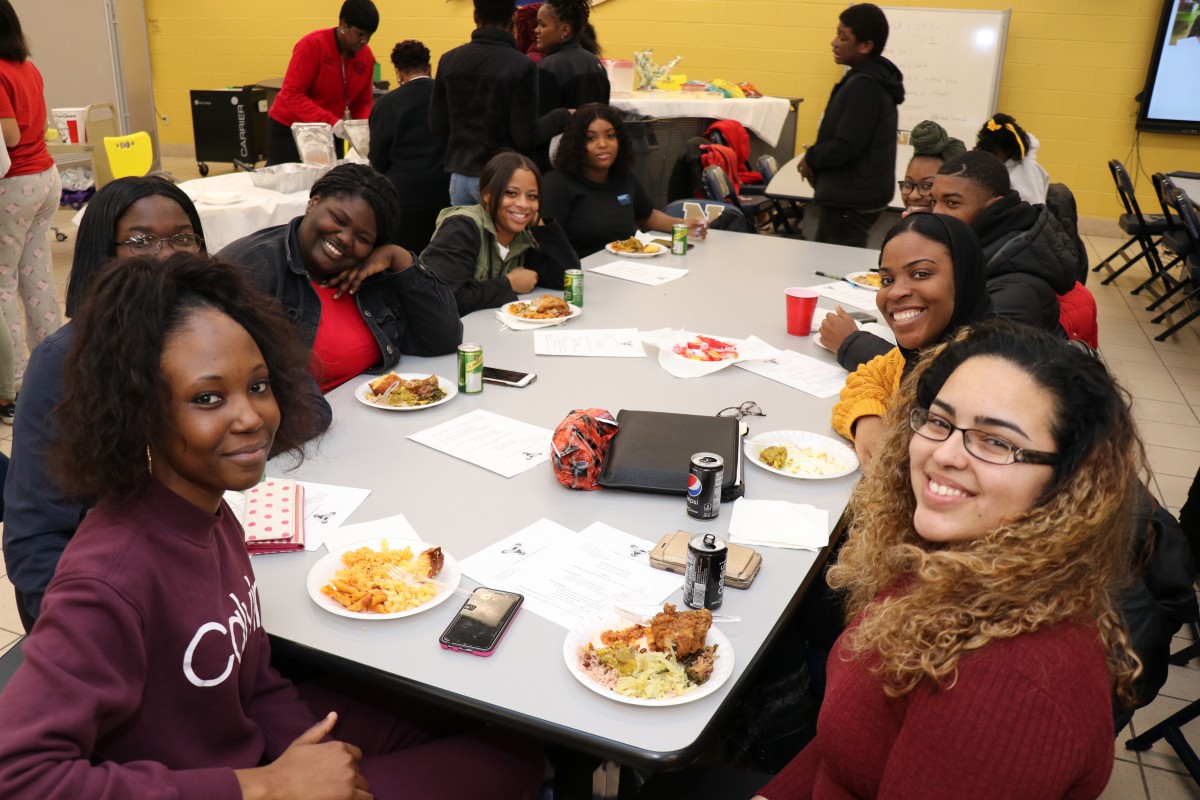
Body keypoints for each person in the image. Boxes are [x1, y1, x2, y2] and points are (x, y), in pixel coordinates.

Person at [0, 253, 545, 799]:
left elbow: (254, 680)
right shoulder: (108, 580)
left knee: (513, 732)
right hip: (222, 785)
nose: (250, 417)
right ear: (140, 410)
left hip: (252, 750)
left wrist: (309, 752)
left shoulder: (212, 514)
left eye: (258, 386)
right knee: (511, 764)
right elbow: (20, 775)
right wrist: (266, 788)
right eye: (208, 398)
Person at [754, 321, 1145, 799]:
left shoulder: (1009, 689)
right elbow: (847, 747)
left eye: (996, 442)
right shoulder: (953, 562)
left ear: (1066, 482)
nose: (945, 454)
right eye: (940, 422)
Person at [2, 177, 272, 632]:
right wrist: (97, 631)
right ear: (102, 256)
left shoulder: (217, 337)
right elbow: (36, 538)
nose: (167, 254)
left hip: (212, 567)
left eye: (183, 237)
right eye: (141, 241)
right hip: (108, 612)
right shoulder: (64, 361)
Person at [219, 163, 463, 392]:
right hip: (302, 428)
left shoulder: (371, 275)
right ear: (313, 203)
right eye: (338, 220)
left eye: (363, 238)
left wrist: (400, 259)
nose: (346, 239)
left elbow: (442, 338)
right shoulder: (250, 267)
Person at [831, 213, 991, 470]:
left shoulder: (985, 377)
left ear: (963, 279)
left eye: (920, 274)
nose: (895, 291)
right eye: (887, 279)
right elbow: (870, 377)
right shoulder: (922, 353)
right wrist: (868, 417)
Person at [818, 120, 965, 356]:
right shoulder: (909, 234)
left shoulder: (965, 254)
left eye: (927, 186)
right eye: (908, 184)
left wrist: (851, 343)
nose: (913, 195)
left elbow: (929, 365)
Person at [430, 0, 572, 205]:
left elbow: (438, 126)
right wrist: (561, 116)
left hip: (459, 176)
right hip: (500, 178)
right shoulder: (521, 65)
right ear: (513, 17)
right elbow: (525, 136)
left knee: (465, 236)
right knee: (502, 238)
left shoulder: (449, 60)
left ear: (475, 17)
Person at [797, 3, 904, 248]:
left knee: (834, 271)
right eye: (836, 34)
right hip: (853, 194)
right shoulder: (864, 78)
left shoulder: (865, 85)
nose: (834, 42)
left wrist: (812, 157)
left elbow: (846, 145)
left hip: (850, 199)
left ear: (865, 46)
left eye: (843, 37)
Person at [420, 151, 580, 315]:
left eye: (532, 196)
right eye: (511, 193)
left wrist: (538, 222)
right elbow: (442, 300)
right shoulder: (462, 227)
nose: (523, 203)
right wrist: (509, 284)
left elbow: (566, 278)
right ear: (487, 195)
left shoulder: (521, 236)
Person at [0, 0, 62, 419]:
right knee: (36, 279)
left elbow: (9, 131)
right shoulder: (25, 64)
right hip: (44, 178)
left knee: (1, 286)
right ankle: (55, 369)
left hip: (13, 185)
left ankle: (14, 383)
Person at [541, 104, 707, 258]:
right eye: (591, 138)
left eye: (610, 136)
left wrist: (683, 225)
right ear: (575, 144)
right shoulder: (557, 185)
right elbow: (544, 242)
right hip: (579, 275)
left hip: (624, 268)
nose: (603, 144)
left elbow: (645, 216)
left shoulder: (623, 177)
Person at [267, 0, 379, 165]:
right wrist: (331, 122)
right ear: (343, 24)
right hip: (291, 128)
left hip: (331, 130)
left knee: (331, 183)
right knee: (292, 186)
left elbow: (363, 102)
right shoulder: (312, 45)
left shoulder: (366, 57)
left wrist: (361, 128)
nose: (364, 41)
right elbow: (292, 94)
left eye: (369, 36)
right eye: (359, 34)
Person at [368, 40, 450, 252]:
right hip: (445, 193)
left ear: (398, 72)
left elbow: (378, 159)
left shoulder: (387, 104)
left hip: (403, 198)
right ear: (429, 67)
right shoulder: (448, 96)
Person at [533, 0, 609, 169]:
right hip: (590, 161)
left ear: (565, 30)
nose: (536, 30)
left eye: (542, 25)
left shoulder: (549, 67)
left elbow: (538, 128)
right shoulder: (595, 62)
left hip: (556, 163)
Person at [975, 112, 1050, 205]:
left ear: (1009, 149)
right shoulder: (994, 168)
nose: (992, 156)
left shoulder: (1028, 170)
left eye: (995, 152)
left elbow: (1034, 208)